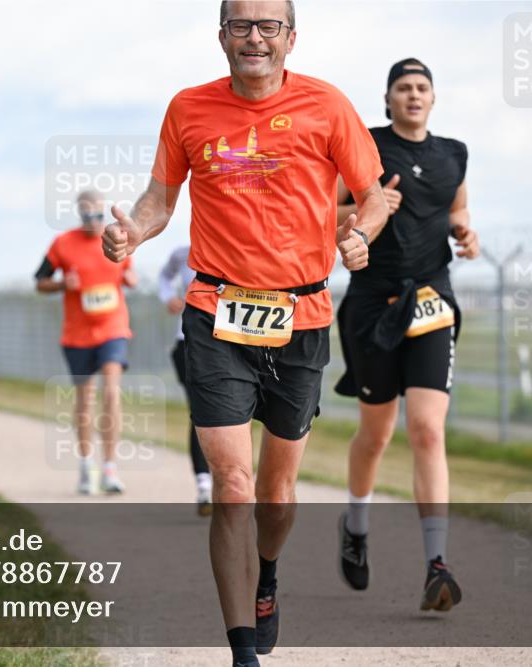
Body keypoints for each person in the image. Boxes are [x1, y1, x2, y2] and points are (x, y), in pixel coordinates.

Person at [101, 2, 388, 663]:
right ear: (221, 35)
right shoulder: (188, 109)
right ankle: (242, 652)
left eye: (267, 26)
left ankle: (269, 570)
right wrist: (131, 232)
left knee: (276, 496)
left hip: (302, 318)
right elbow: (159, 202)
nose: (253, 37)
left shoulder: (328, 106)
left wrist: (360, 234)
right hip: (216, 311)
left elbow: (370, 197)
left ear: (291, 38)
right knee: (233, 482)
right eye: (240, 25)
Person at [334, 58, 478, 613]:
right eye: (403, 88)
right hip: (372, 304)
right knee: (376, 435)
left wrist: (466, 231)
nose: (413, 96)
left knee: (426, 429)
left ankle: (436, 564)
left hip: (431, 300)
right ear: (388, 98)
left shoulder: (453, 154)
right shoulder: (366, 146)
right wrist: (364, 208)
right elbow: (325, 212)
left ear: (433, 98)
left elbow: (458, 208)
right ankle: (356, 522)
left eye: (422, 88)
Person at [36, 190, 138, 495]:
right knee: (85, 400)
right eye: (86, 215)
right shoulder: (62, 244)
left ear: (103, 214)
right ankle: (85, 466)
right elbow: (39, 282)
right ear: (79, 215)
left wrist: (130, 280)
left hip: (113, 328)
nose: (92, 221)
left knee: (111, 392)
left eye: (97, 215)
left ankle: (110, 468)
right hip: (77, 334)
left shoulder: (116, 238)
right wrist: (59, 284)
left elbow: (128, 273)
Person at [159, 244, 213, 516]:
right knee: (201, 412)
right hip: (188, 343)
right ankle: (205, 485)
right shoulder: (182, 253)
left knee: (239, 415)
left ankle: (231, 482)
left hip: (233, 341)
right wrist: (168, 297)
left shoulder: (243, 246)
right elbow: (164, 276)